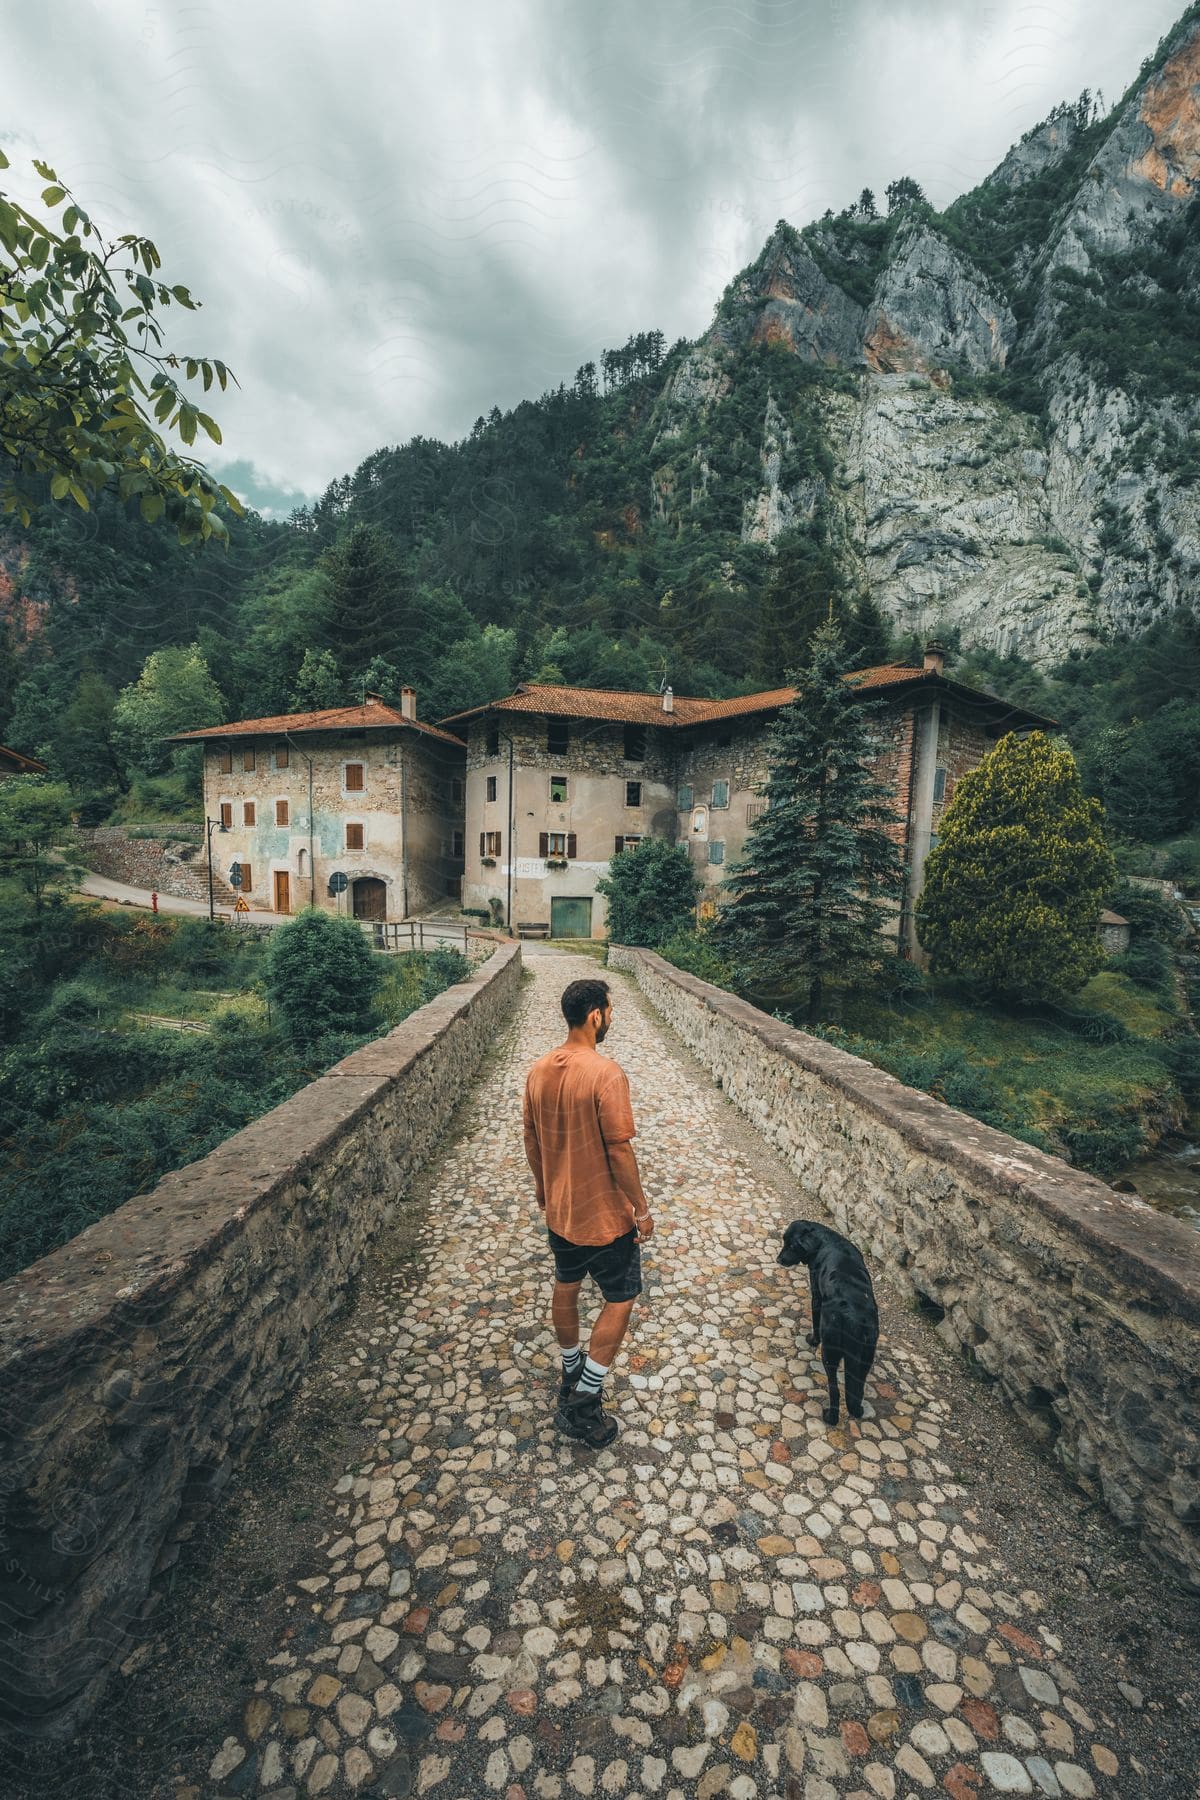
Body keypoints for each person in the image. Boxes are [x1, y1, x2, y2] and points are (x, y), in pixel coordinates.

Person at [523, 976, 654, 1450]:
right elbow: (619, 1150)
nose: (611, 1019)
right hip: (604, 1218)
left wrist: (545, 1193)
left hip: (561, 1212)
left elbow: (532, 1141)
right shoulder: (605, 1073)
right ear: (596, 1015)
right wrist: (640, 1210)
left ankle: (571, 1364)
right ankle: (584, 1397)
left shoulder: (538, 1070)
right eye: (610, 1011)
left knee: (567, 1286)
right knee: (620, 1297)